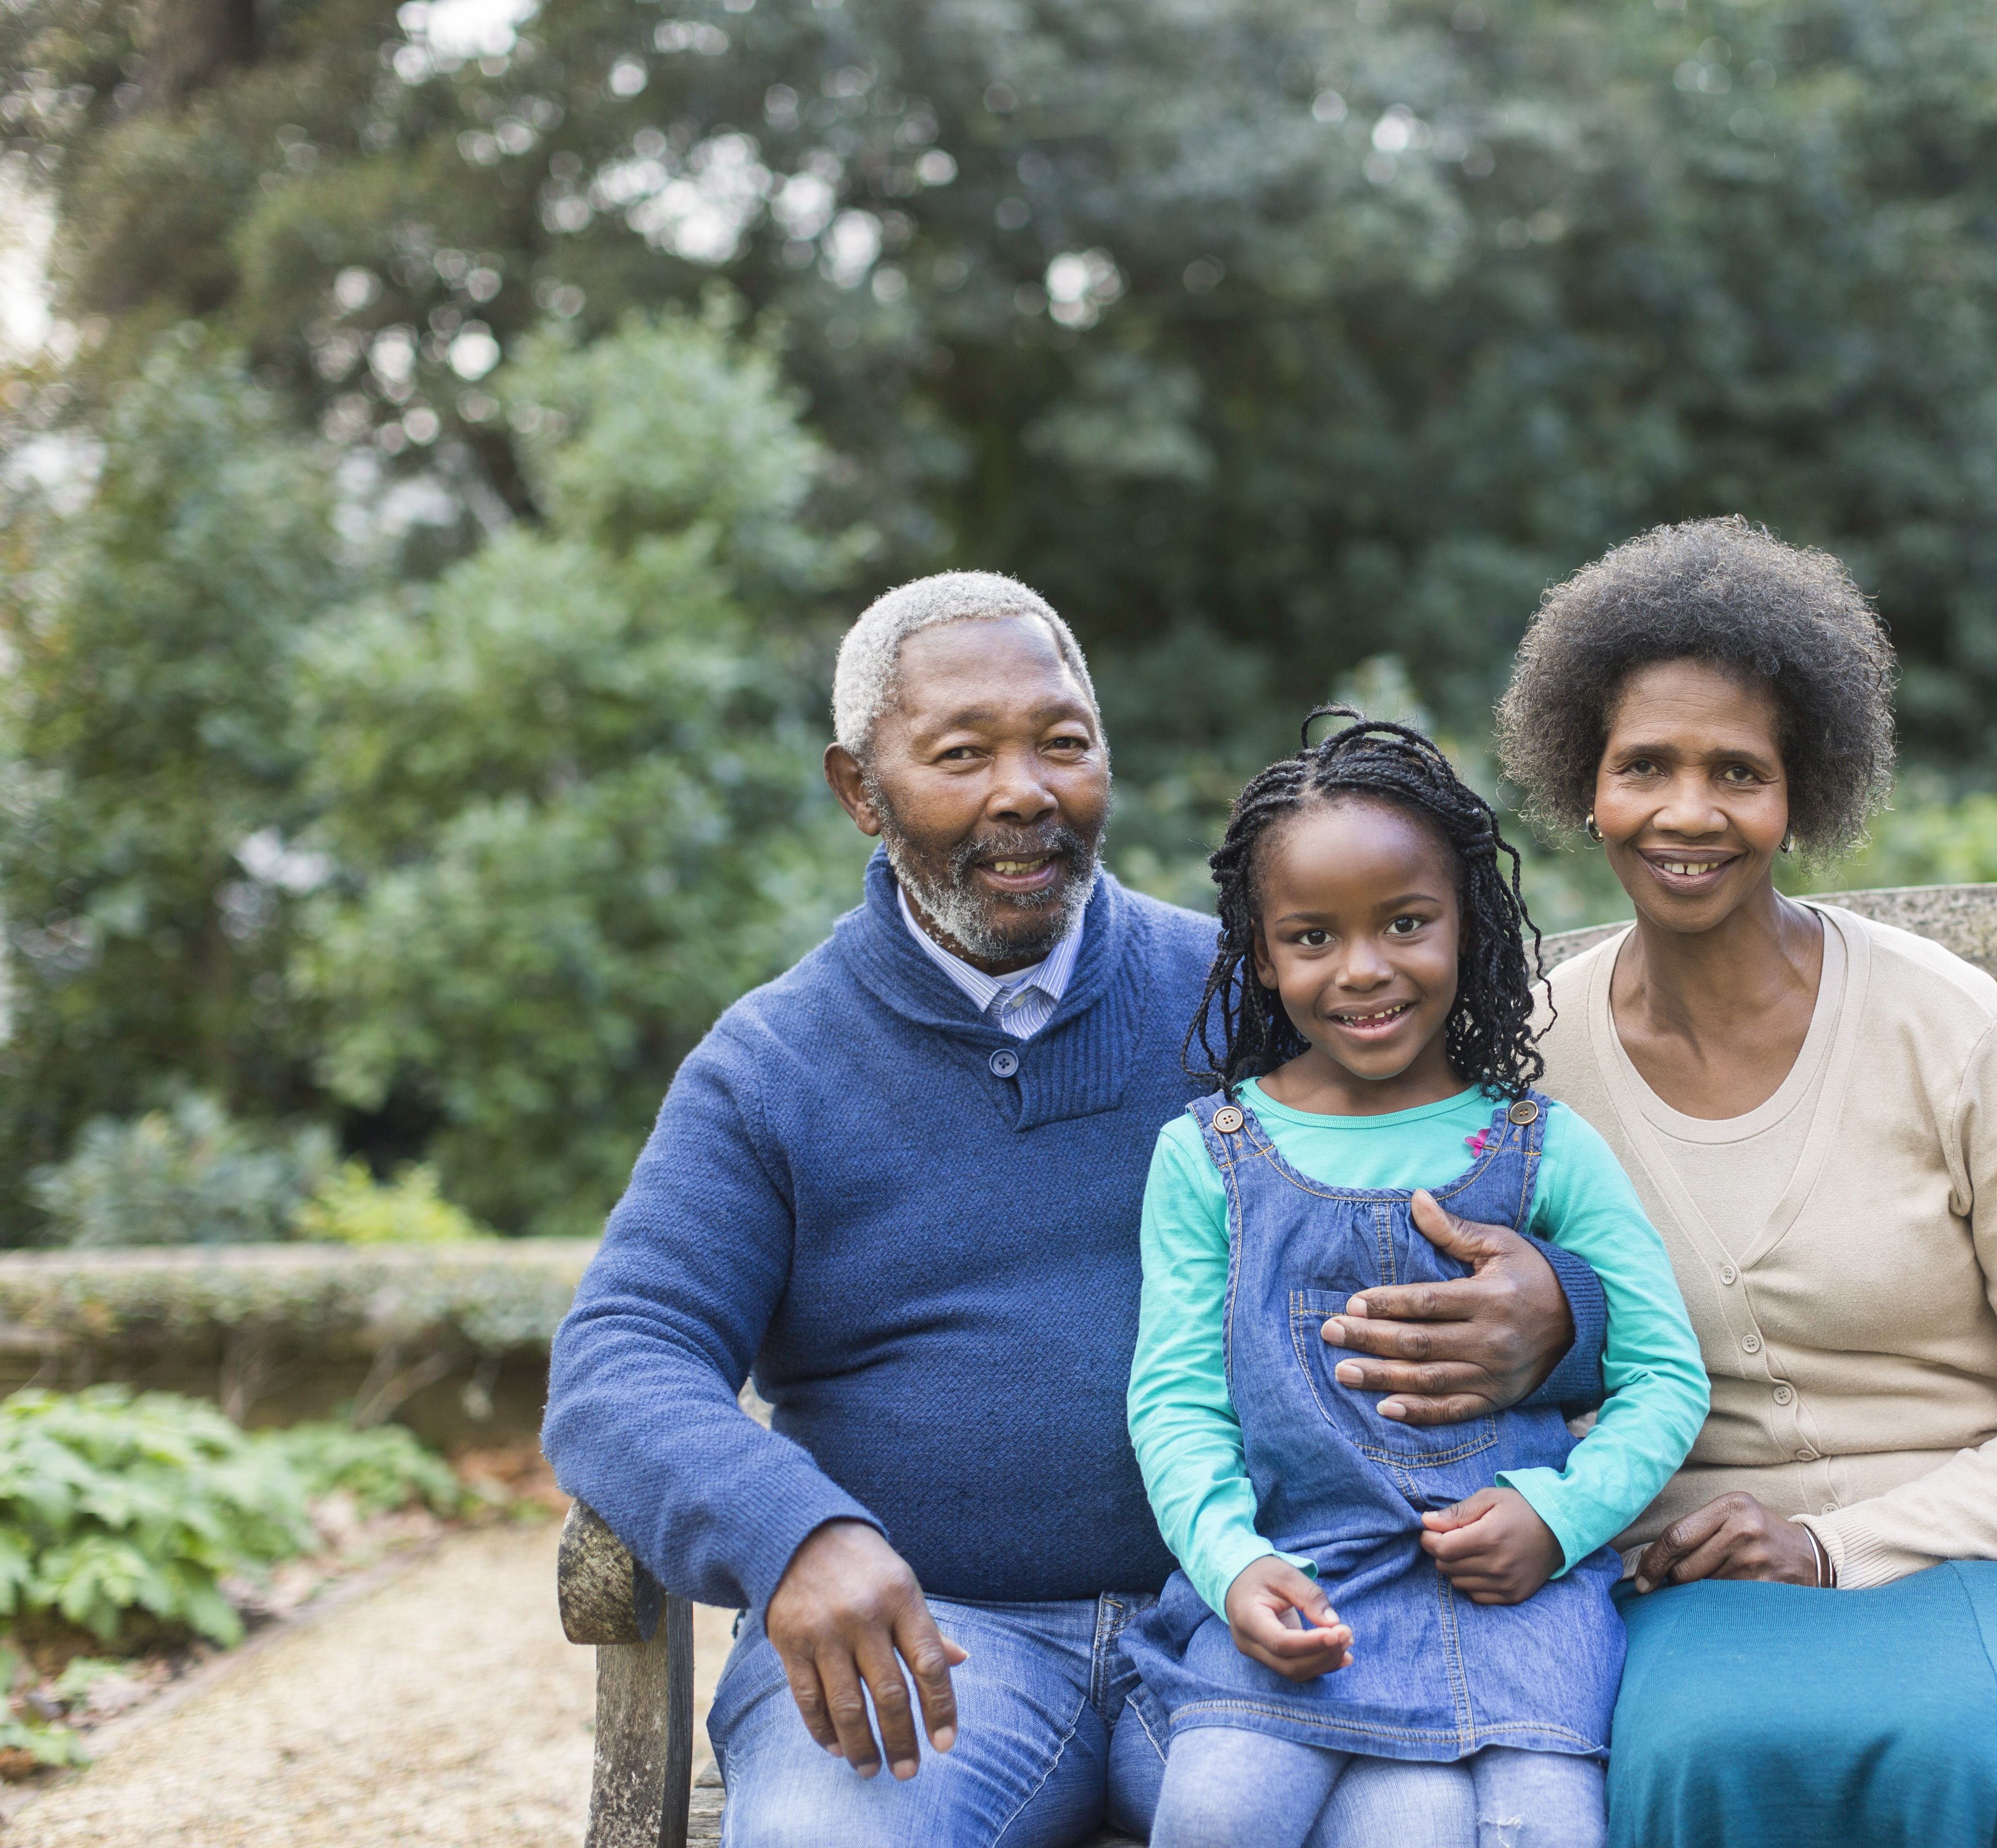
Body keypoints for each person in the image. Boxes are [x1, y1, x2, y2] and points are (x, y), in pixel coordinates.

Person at [542, 574, 1613, 1848]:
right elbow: (619, 1363)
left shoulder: (1258, 996)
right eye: (961, 754)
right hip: (930, 1645)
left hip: (1269, 1611)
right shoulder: (773, 1066)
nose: (1025, 791)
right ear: (858, 791)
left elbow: (1503, 1185)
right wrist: (796, 1534)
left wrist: (1567, 1314)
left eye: (1063, 742)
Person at [1491, 518, 1997, 1848]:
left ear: (1799, 793)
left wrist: (1829, 1548)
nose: (1687, 812)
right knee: (1688, 1762)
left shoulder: (1949, 1032)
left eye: (1735, 771)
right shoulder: (1531, 1063)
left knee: (1978, 1757)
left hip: (1995, 1567)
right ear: (1588, 783)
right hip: (1688, 1587)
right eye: (1647, 766)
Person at [1122, 713, 1708, 1848]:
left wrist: (1558, 1515)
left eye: (1406, 924)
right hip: (1307, 1583)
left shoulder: (1543, 1147)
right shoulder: (1208, 1158)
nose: (1366, 970)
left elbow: (1663, 1376)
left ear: (1468, 925)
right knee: (1211, 1818)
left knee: (1536, 1831)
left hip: (1520, 1599)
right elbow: (1178, 1401)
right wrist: (1235, 1565)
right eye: (1312, 937)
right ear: (1261, 955)